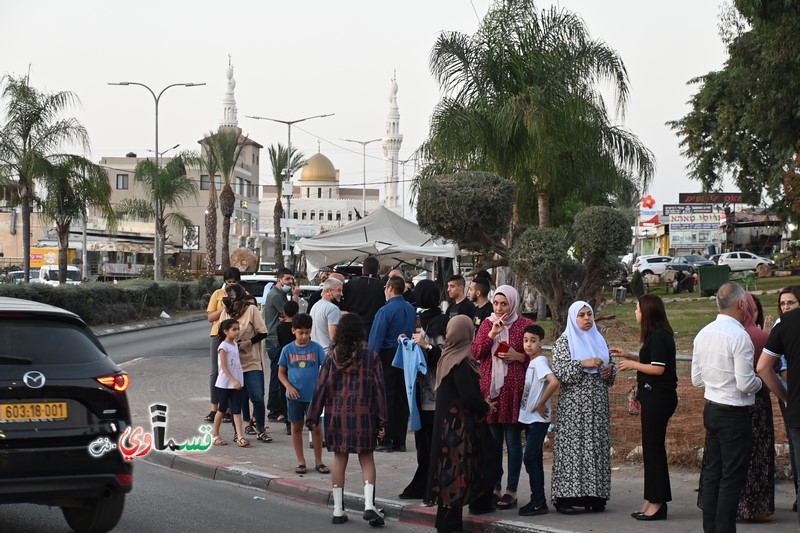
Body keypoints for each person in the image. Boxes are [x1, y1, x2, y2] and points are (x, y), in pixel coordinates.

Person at [692, 282, 763, 533]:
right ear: (742, 304)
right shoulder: (739, 336)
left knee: (712, 474)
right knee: (731, 478)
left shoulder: (703, 333)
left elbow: (696, 379)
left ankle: (711, 528)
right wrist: (760, 380)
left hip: (712, 408)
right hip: (734, 412)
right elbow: (745, 384)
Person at [307, 313, 388, 526]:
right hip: (364, 414)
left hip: (336, 414)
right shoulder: (371, 357)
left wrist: (312, 417)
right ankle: (369, 505)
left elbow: (320, 388)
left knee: (339, 459)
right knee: (367, 458)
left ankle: (337, 509)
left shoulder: (331, 358)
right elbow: (379, 391)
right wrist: (382, 421)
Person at [429, 315, 498, 533]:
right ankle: (450, 526)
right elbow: (468, 397)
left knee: (448, 475)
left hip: (446, 427)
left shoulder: (447, 357)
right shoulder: (459, 363)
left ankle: (445, 523)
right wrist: (486, 407)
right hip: (457, 430)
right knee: (454, 475)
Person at [612, 295, 677, 521]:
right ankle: (652, 499)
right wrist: (629, 355)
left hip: (659, 398)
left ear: (647, 312)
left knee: (654, 450)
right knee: (651, 450)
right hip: (654, 397)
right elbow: (652, 359)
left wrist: (632, 365)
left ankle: (658, 502)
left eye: (637, 308)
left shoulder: (659, 336)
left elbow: (658, 369)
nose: (635, 312)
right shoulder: (656, 336)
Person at [471, 284, 535, 510]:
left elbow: (534, 356)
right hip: (491, 392)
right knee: (493, 443)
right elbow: (476, 353)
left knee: (514, 442)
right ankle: (494, 487)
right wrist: (492, 334)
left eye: (503, 303)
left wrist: (518, 355)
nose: (499, 308)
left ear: (513, 303)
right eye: (496, 303)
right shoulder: (487, 323)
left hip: (514, 390)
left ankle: (512, 490)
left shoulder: (525, 325)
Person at [550, 300, 616, 514]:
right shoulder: (565, 342)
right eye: (582, 315)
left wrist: (609, 371)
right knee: (573, 449)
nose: (587, 318)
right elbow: (561, 373)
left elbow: (611, 369)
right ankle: (565, 498)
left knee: (595, 447)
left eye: (589, 314)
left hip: (597, 407)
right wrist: (582, 364)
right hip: (574, 408)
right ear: (573, 318)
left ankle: (594, 496)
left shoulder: (599, 339)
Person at [398, 279, 448, 504]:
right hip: (420, 393)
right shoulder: (425, 319)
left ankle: (432, 488)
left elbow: (443, 357)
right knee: (423, 443)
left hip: (435, 397)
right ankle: (423, 485)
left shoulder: (439, 323)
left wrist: (424, 345)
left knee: (431, 444)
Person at [758, 286, 800, 518]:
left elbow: (766, 367)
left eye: (791, 303)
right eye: (782, 303)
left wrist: (786, 396)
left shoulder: (785, 327)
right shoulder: (779, 327)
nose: (785, 307)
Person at [218, 283, 272, 443]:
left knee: (257, 397)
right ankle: (238, 433)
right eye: (228, 297)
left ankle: (261, 429)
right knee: (237, 401)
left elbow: (263, 332)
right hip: (234, 366)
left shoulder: (251, 310)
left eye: (233, 297)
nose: (230, 300)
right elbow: (220, 335)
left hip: (251, 362)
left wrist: (248, 342)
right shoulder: (226, 312)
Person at [368, 275, 416, 452]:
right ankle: (400, 440)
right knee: (402, 397)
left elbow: (376, 339)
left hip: (387, 356)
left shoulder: (385, 311)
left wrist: (370, 361)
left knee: (386, 397)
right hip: (406, 354)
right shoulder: (410, 309)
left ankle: (386, 438)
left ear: (389, 289)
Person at [277, 313, 329, 475]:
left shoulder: (316, 348)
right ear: (293, 331)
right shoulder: (287, 350)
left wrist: (322, 389)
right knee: (297, 426)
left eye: (307, 332)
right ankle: (301, 461)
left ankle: (319, 461)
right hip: (294, 397)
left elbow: (326, 369)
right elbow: (281, 373)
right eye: (301, 333)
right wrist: (288, 386)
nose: (304, 336)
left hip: (313, 397)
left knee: (317, 428)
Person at [518, 324, 559, 517]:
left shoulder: (540, 361)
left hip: (538, 420)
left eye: (533, 341)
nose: (528, 345)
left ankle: (538, 501)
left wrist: (541, 403)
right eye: (526, 341)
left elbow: (554, 382)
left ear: (542, 343)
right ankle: (538, 500)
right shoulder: (533, 362)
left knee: (530, 458)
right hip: (531, 419)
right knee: (533, 459)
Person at [205, 267, 240, 422]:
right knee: (216, 372)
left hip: (235, 337)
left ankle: (228, 409)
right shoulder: (217, 294)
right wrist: (224, 306)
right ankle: (215, 409)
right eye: (228, 282)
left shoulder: (243, 295)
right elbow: (210, 317)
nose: (231, 285)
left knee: (233, 371)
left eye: (234, 282)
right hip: (218, 336)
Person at [265, 267, 301, 422]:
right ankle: (274, 410)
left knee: (279, 374)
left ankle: (278, 408)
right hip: (275, 340)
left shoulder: (280, 294)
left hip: (276, 339)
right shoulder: (276, 296)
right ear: (279, 280)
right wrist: (295, 297)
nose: (290, 282)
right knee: (277, 375)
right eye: (287, 279)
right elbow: (291, 314)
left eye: (291, 279)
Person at [211, 319, 249, 447]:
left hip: (237, 383)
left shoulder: (234, 345)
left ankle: (240, 436)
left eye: (238, 329)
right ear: (225, 331)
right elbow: (224, 367)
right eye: (234, 329)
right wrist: (233, 380)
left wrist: (238, 381)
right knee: (221, 409)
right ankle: (215, 434)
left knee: (237, 410)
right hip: (225, 383)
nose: (237, 331)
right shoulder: (223, 346)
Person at [342, 256, 385, 336]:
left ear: (362, 270)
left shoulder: (350, 285)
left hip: (353, 327)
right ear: (378, 271)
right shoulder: (383, 287)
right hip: (374, 328)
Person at [276, 300, 299, 435]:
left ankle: (288, 421)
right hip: (296, 359)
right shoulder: (297, 328)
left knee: (284, 390)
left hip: (284, 359)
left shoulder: (280, 327)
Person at [310, 277, 343, 352]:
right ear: (328, 291)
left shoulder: (315, 306)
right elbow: (334, 337)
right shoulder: (333, 309)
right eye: (339, 290)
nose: (341, 294)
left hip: (315, 352)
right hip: (327, 353)